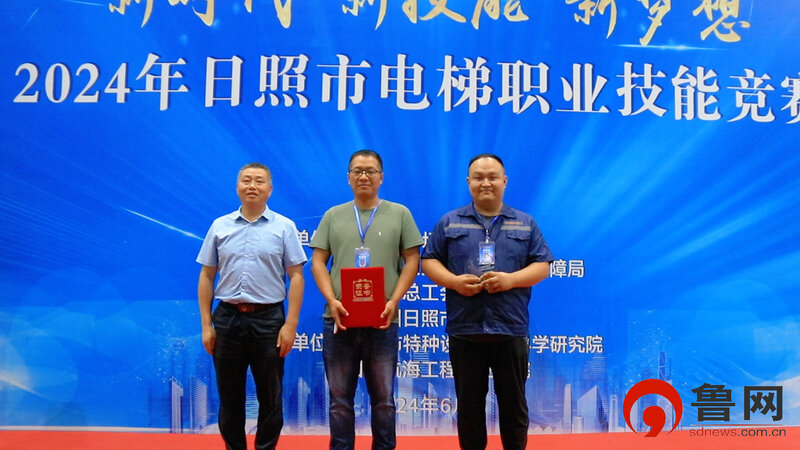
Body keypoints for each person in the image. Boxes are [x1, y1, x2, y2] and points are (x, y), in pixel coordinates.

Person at [421, 154, 553, 450]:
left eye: (492, 177)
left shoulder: (525, 223)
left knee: (514, 405)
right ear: (468, 182)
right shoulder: (450, 222)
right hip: (466, 329)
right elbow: (429, 261)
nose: (486, 183)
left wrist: (511, 280)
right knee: (469, 407)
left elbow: (543, 266)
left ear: (504, 181)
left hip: (510, 328)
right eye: (478, 177)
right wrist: (454, 281)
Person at [310, 149, 422, 450]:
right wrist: (331, 299)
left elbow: (412, 259)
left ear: (381, 177)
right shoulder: (333, 215)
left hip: (383, 320)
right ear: (348, 178)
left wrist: (394, 300)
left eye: (370, 171)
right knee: (339, 400)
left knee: (384, 399)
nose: (363, 176)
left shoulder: (400, 213)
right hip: (339, 319)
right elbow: (318, 261)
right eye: (357, 171)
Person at [197, 162, 306, 450]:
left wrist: (290, 325)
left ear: (270, 189)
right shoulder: (219, 226)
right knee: (229, 396)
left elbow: (296, 276)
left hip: (268, 320)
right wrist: (206, 324)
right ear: (237, 187)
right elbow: (207, 275)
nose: (252, 186)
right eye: (246, 180)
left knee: (270, 396)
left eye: (259, 181)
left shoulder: (284, 227)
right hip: (227, 318)